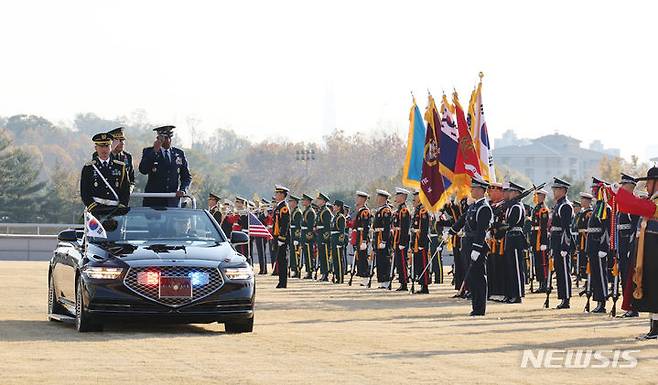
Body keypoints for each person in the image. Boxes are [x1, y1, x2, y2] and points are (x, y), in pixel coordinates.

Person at [610, 166, 658, 339]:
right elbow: (630, 206)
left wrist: (622, 193)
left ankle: (656, 329)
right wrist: (619, 194)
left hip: (655, 251)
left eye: (649, 183)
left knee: (654, 287)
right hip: (650, 250)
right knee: (651, 287)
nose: (646, 187)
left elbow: (638, 206)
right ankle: (653, 328)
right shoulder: (653, 199)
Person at [449, 177, 493, 316]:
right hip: (467, 243)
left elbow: (481, 230)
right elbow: (463, 219)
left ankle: (480, 308)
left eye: (474, 188)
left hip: (476, 245)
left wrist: (477, 248)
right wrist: (452, 230)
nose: (471, 190)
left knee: (478, 276)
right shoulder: (474, 206)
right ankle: (475, 306)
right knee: (472, 278)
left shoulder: (484, 208)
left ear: (481, 190)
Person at [138, 125, 191, 207]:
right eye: (162, 139)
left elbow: (186, 177)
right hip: (153, 200)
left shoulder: (179, 153)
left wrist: (183, 190)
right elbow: (143, 170)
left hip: (172, 200)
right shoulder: (148, 151)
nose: (166, 141)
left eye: (168, 138)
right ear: (158, 139)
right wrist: (154, 152)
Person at [80, 133, 130, 215]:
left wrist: (122, 207)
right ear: (96, 148)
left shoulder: (120, 167)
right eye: (101, 147)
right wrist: (93, 207)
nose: (104, 150)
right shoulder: (89, 168)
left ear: (111, 148)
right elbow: (84, 191)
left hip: (115, 210)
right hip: (95, 210)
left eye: (107, 146)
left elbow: (125, 190)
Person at [617, 173, 640, 318]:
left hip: (628, 245)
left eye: (623, 186)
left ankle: (633, 306)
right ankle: (628, 306)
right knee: (623, 276)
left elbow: (634, 228)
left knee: (629, 276)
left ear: (630, 187)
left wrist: (630, 248)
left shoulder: (633, 203)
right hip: (622, 244)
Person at [549, 177, 575, 309]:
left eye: (557, 189)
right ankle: (562, 298)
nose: (554, 191)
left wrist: (565, 245)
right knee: (559, 270)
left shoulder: (565, 206)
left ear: (563, 191)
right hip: (556, 240)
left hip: (562, 241)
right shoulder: (559, 204)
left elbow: (566, 228)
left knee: (564, 271)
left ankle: (566, 299)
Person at [587, 177, 611, 313]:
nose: (593, 192)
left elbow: (606, 230)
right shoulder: (597, 206)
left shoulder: (605, 208)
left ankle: (602, 302)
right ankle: (598, 301)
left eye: (595, 189)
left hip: (599, 246)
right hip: (592, 245)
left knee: (601, 274)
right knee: (595, 274)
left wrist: (603, 247)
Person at [501, 181, 526, 304]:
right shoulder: (511, 206)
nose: (508, 194)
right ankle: (510, 293)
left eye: (510, 191)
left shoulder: (517, 207)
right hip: (510, 237)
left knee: (516, 267)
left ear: (516, 193)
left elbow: (511, 223)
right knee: (509, 267)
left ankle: (518, 294)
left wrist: (498, 226)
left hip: (516, 238)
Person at [530, 189, 550, 293]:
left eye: (539, 195)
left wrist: (543, 242)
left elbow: (544, 227)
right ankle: (540, 282)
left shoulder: (543, 209)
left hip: (540, 238)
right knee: (537, 262)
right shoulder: (536, 208)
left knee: (543, 262)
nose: (537, 197)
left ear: (543, 197)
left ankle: (544, 283)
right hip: (535, 237)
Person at [410, 190, 430, 294]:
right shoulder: (417, 210)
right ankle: (421, 284)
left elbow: (424, 228)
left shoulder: (423, 210)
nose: (415, 197)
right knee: (418, 263)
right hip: (416, 240)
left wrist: (421, 243)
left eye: (416, 195)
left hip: (421, 241)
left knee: (423, 263)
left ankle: (425, 285)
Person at [392, 188, 411, 291]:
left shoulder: (404, 210)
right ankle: (402, 282)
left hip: (401, 239)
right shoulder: (399, 210)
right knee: (399, 261)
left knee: (402, 262)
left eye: (397, 195)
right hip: (397, 238)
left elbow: (405, 227)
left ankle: (404, 283)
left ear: (403, 197)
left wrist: (403, 242)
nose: (396, 197)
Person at [372, 190, 392, 289]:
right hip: (378, 236)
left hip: (382, 237)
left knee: (384, 259)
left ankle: (386, 280)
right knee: (379, 259)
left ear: (383, 199)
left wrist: (384, 240)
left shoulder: (386, 210)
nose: (376, 199)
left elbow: (387, 227)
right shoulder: (380, 210)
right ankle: (382, 280)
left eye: (378, 197)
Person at [272, 185, 291, 289]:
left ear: (282, 195)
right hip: (277, 236)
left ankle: (283, 282)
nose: (276, 195)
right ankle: (281, 281)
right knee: (280, 260)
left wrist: (282, 238)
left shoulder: (284, 207)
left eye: (277, 193)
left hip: (282, 238)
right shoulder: (279, 206)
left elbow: (285, 224)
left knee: (282, 260)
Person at [107, 127, 135, 192]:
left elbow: (132, 179)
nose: (122, 143)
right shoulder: (101, 155)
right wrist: (110, 150)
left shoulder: (128, 157)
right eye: (119, 141)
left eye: (123, 140)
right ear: (111, 142)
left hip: (123, 197)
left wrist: (129, 189)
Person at [353, 191, 372, 286]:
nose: (357, 200)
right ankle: (362, 276)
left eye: (358, 198)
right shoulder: (360, 211)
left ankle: (365, 277)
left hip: (362, 237)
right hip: (359, 236)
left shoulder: (365, 212)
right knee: (359, 257)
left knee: (363, 257)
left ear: (363, 200)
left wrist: (364, 240)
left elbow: (366, 227)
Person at [575, 193, 593, 280]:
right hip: (581, 237)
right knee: (582, 258)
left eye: (583, 200)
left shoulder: (589, 212)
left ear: (588, 201)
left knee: (586, 258)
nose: (581, 201)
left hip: (586, 237)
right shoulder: (582, 212)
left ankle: (588, 279)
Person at [315, 193, 333, 282]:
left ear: (323, 201)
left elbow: (327, 227)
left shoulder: (326, 211)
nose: (317, 201)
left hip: (323, 236)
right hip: (320, 235)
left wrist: (325, 239)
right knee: (321, 256)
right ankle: (323, 273)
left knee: (325, 256)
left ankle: (325, 274)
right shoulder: (321, 210)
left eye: (319, 199)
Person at [301, 194, 317, 279]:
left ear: (308, 201)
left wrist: (308, 236)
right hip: (304, 234)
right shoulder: (306, 210)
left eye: (304, 200)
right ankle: (308, 271)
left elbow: (310, 226)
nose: (303, 201)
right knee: (306, 255)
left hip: (308, 236)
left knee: (309, 255)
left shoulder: (310, 211)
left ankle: (310, 271)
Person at [331, 200, 347, 284]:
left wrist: (340, 243)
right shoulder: (335, 217)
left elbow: (342, 232)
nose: (333, 207)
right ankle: (336, 276)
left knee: (339, 260)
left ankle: (340, 278)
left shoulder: (341, 217)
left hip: (337, 241)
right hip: (333, 240)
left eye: (334, 205)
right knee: (335, 260)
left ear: (338, 207)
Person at [288, 194, 303, 278]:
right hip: (292, 234)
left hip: (295, 235)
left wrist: (297, 237)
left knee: (296, 253)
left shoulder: (297, 212)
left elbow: (298, 226)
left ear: (295, 203)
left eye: (291, 201)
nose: (290, 203)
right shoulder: (293, 211)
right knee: (293, 254)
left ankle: (297, 270)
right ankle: (294, 269)